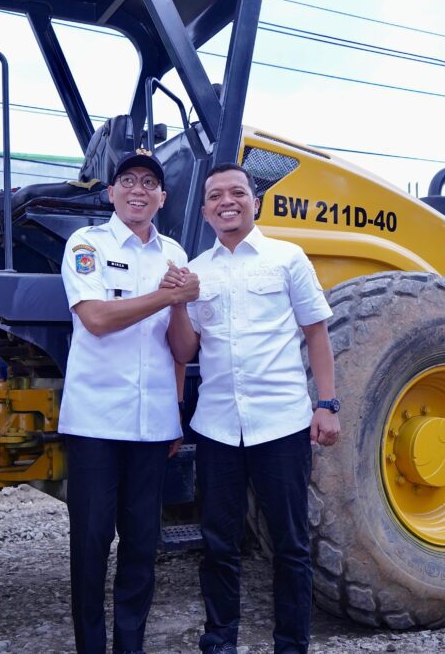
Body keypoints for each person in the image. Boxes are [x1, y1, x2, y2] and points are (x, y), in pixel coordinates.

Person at [164, 163, 340, 654]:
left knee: (290, 546)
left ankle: (291, 645)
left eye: (237, 192)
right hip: (218, 428)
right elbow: (185, 351)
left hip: (281, 424)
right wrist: (177, 301)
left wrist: (327, 404)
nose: (227, 201)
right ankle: (219, 641)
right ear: (205, 210)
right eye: (216, 195)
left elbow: (316, 333)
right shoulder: (196, 271)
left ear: (254, 202)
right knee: (218, 545)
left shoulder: (287, 258)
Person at [58, 149, 199, 654]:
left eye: (149, 183)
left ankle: (130, 646)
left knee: (141, 546)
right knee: (91, 543)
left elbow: (183, 350)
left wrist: (179, 305)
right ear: (111, 192)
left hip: (153, 425)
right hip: (96, 422)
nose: (139, 189)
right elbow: (96, 319)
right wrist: (167, 297)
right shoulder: (86, 244)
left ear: (162, 197)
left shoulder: (175, 254)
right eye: (129, 180)